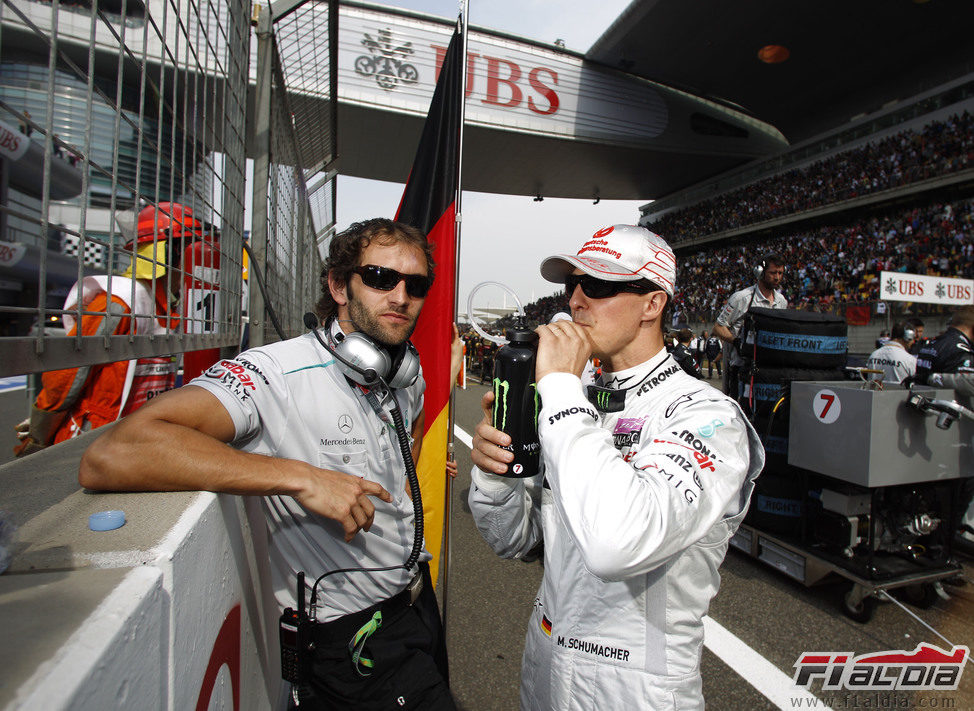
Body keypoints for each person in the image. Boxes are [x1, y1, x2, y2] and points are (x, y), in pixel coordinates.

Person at [79, 218, 456, 710]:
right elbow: (115, 452)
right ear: (339, 285)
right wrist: (301, 477)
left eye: (417, 284)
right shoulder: (274, 372)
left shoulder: (405, 374)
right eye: (381, 278)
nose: (401, 296)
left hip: (414, 600)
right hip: (351, 635)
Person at [467, 224, 763, 710]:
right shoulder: (578, 402)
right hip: (545, 666)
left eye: (599, 286)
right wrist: (496, 471)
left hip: (634, 689)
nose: (577, 301)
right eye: (572, 286)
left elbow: (616, 545)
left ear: (653, 303)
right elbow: (512, 541)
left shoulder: (707, 415)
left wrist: (561, 391)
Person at [14, 202, 195, 456]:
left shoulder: (166, 309)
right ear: (171, 253)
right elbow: (68, 373)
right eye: (191, 249)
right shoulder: (119, 303)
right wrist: (39, 434)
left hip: (135, 438)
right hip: (91, 439)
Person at [915, 305, 974, 548]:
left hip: (925, 434)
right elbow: (970, 381)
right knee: (953, 502)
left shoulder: (930, 343)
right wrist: (937, 378)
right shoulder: (959, 347)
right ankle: (939, 555)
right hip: (951, 440)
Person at [712, 253, 787, 397]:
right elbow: (718, 327)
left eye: (780, 273)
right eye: (773, 273)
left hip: (768, 367)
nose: (777, 277)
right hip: (741, 368)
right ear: (760, 272)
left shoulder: (782, 301)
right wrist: (737, 342)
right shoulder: (741, 298)